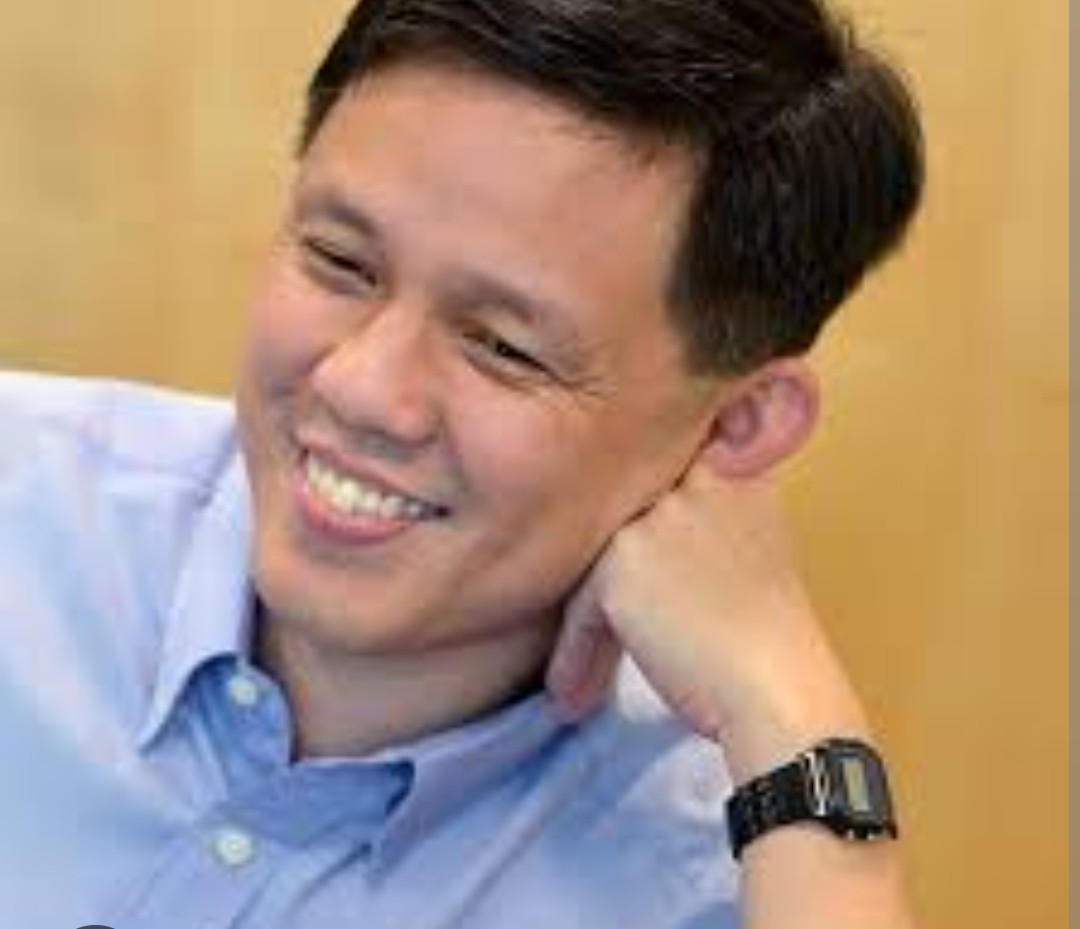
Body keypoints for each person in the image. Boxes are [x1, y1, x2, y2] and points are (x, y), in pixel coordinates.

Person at [0, 0, 925, 926]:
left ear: (732, 425)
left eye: (504, 347)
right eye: (339, 261)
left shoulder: (727, 878)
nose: (361, 387)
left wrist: (792, 714)